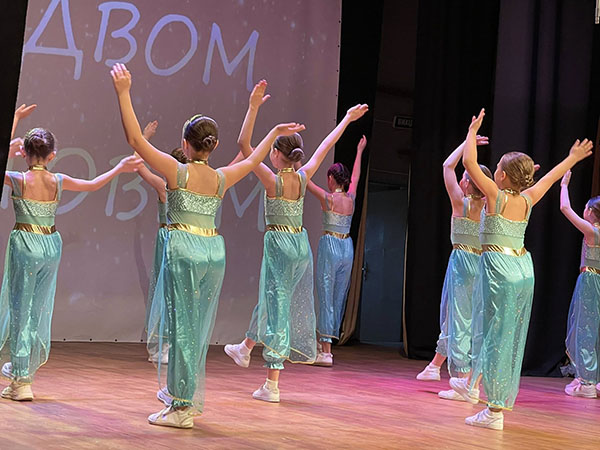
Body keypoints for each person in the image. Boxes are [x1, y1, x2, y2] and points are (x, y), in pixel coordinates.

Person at [110, 63, 305, 428]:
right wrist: (266, 123)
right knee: (194, 328)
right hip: (213, 252)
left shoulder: (178, 171)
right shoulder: (219, 177)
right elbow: (253, 157)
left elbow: (136, 141)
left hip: (184, 250)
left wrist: (123, 92)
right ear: (211, 147)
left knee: (183, 327)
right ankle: (181, 393)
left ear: (186, 145)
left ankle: (182, 406)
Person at [224, 79, 368, 402]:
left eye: (272, 151)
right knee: (273, 298)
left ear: (276, 154)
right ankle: (246, 346)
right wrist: (346, 118)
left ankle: (272, 383)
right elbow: (326, 145)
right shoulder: (303, 177)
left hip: (279, 246)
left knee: (278, 308)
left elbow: (244, 144)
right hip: (299, 245)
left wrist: (253, 107)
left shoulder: (272, 180)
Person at [450, 108, 593, 430]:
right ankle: (491, 402)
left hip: (499, 267)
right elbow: (550, 178)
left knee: (493, 336)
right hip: (523, 268)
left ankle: (493, 410)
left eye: (499, 168)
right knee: (509, 336)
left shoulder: (495, 196)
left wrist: (472, 131)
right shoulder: (527, 198)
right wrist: (572, 158)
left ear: (501, 176)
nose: (496, 172)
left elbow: (470, 163)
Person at [0, 104, 142, 401]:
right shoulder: (57, 181)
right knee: (37, 309)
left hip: (26, 244)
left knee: (21, 309)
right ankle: (23, 370)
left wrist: (13, 121)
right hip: (50, 245)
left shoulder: (20, 180)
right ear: (52, 156)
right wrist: (118, 168)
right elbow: (92, 185)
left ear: (23, 153)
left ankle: (21, 380)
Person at [306, 136, 367, 366]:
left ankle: (325, 350)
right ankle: (327, 344)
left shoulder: (329, 199)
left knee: (326, 295)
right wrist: (359, 151)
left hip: (331, 245)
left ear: (331, 178)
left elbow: (305, 180)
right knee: (338, 296)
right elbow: (357, 177)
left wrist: (297, 164)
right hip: (347, 247)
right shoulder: (351, 198)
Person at [559, 170, 600, 398]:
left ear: (591, 212)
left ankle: (587, 383)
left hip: (591, 281)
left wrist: (564, 186)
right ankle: (594, 379)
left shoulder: (592, 232)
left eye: (586, 208)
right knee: (596, 330)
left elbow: (565, 209)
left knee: (586, 328)